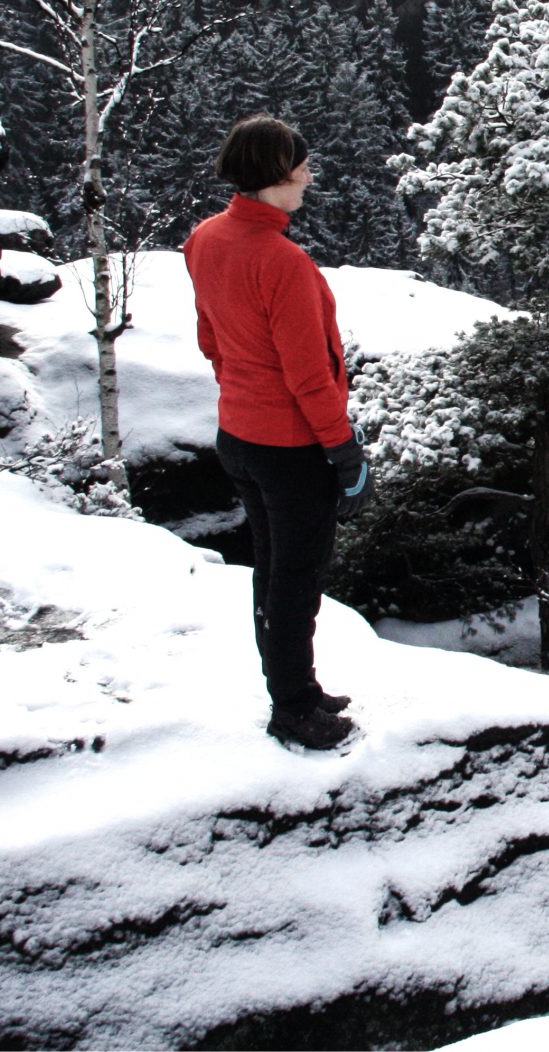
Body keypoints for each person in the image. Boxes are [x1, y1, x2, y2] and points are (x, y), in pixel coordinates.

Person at [184, 115, 373, 751]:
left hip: (238, 437)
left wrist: (243, 395)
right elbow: (311, 376)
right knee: (294, 579)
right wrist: (343, 451)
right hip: (290, 449)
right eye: (301, 170)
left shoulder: (206, 239)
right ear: (274, 178)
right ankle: (293, 708)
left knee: (271, 571)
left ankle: (296, 687)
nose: (310, 179)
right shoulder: (284, 262)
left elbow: (212, 338)